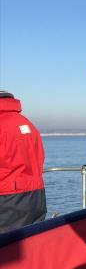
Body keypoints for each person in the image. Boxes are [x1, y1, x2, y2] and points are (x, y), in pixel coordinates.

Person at [0, 91, 47, 233]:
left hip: (7, 196)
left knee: (7, 249)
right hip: (36, 196)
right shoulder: (26, 123)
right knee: (30, 241)